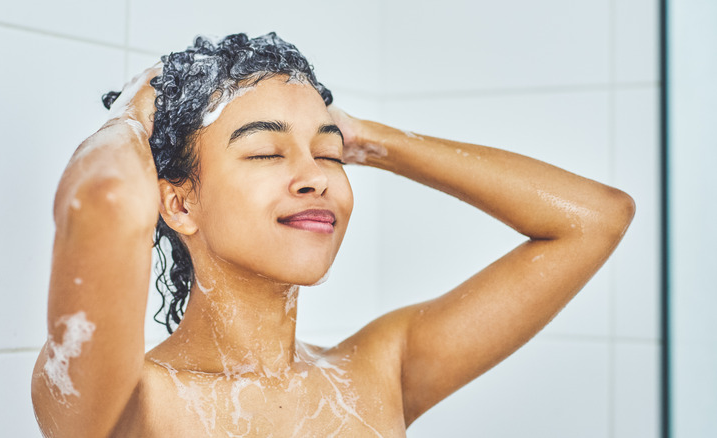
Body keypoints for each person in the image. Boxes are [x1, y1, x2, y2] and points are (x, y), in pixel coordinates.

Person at [31, 33, 634, 437]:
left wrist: (374, 140)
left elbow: (595, 218)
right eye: (267, 152)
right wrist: (132, 121)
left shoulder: (379, 372)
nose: (314, 176)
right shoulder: (124, 404)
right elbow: (104, 202)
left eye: (328, 154)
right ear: (180, 202)